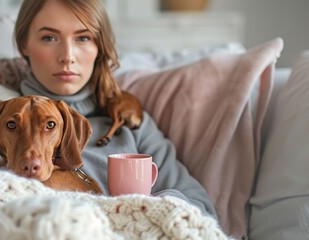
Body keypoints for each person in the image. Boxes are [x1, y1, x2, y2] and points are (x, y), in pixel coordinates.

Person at [14, 0, 217, 218]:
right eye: (49, 38)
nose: (67, 56)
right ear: (24, 44)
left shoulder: (129, 122)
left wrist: (141, 210)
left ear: (99, 46)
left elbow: (201, 209)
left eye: (83, 38)